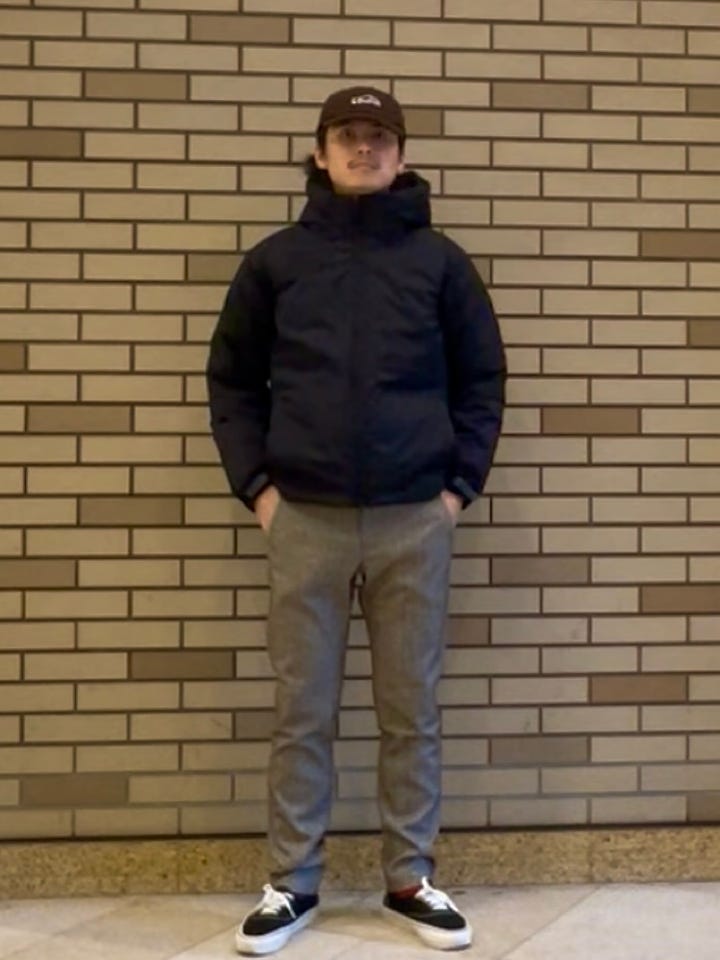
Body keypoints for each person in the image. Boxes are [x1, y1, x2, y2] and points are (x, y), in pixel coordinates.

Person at [206, 86, 506, 955]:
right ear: (320, 152)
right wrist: (259, 489)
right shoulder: (277, 263)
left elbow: (483, 380)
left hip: (417, 515)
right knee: (304, 709)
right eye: (348, 135)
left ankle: (409, 880)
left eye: (379, 136)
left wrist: (457, 491)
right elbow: (232, 381)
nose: (364, 148)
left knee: (411, 707)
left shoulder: (441, 265)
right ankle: (291, 884)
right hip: (304, 515)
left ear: (401, 155)